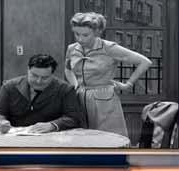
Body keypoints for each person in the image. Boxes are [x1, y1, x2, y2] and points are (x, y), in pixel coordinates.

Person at [64, 11, 153, 141]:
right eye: (77, 34)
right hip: (80, 98)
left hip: (104, 99)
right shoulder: (72, 49)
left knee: (108, 140)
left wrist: (128, 84)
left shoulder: (109, 48)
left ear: (97, 32)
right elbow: (68, 69)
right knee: (83, 140)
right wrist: (75, 84)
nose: (80, 39)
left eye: (85, 35)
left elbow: (145, 62)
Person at [0, 55, 90, 134]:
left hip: (52, 139)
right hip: (14, 137)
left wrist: (53, 125)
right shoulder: (9, 86)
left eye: (45, 78)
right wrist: (0, 122)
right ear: (28, 70)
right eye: (34, 75)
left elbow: (74, 117)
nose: (38, 81)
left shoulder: (65, 89)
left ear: (52, 75)